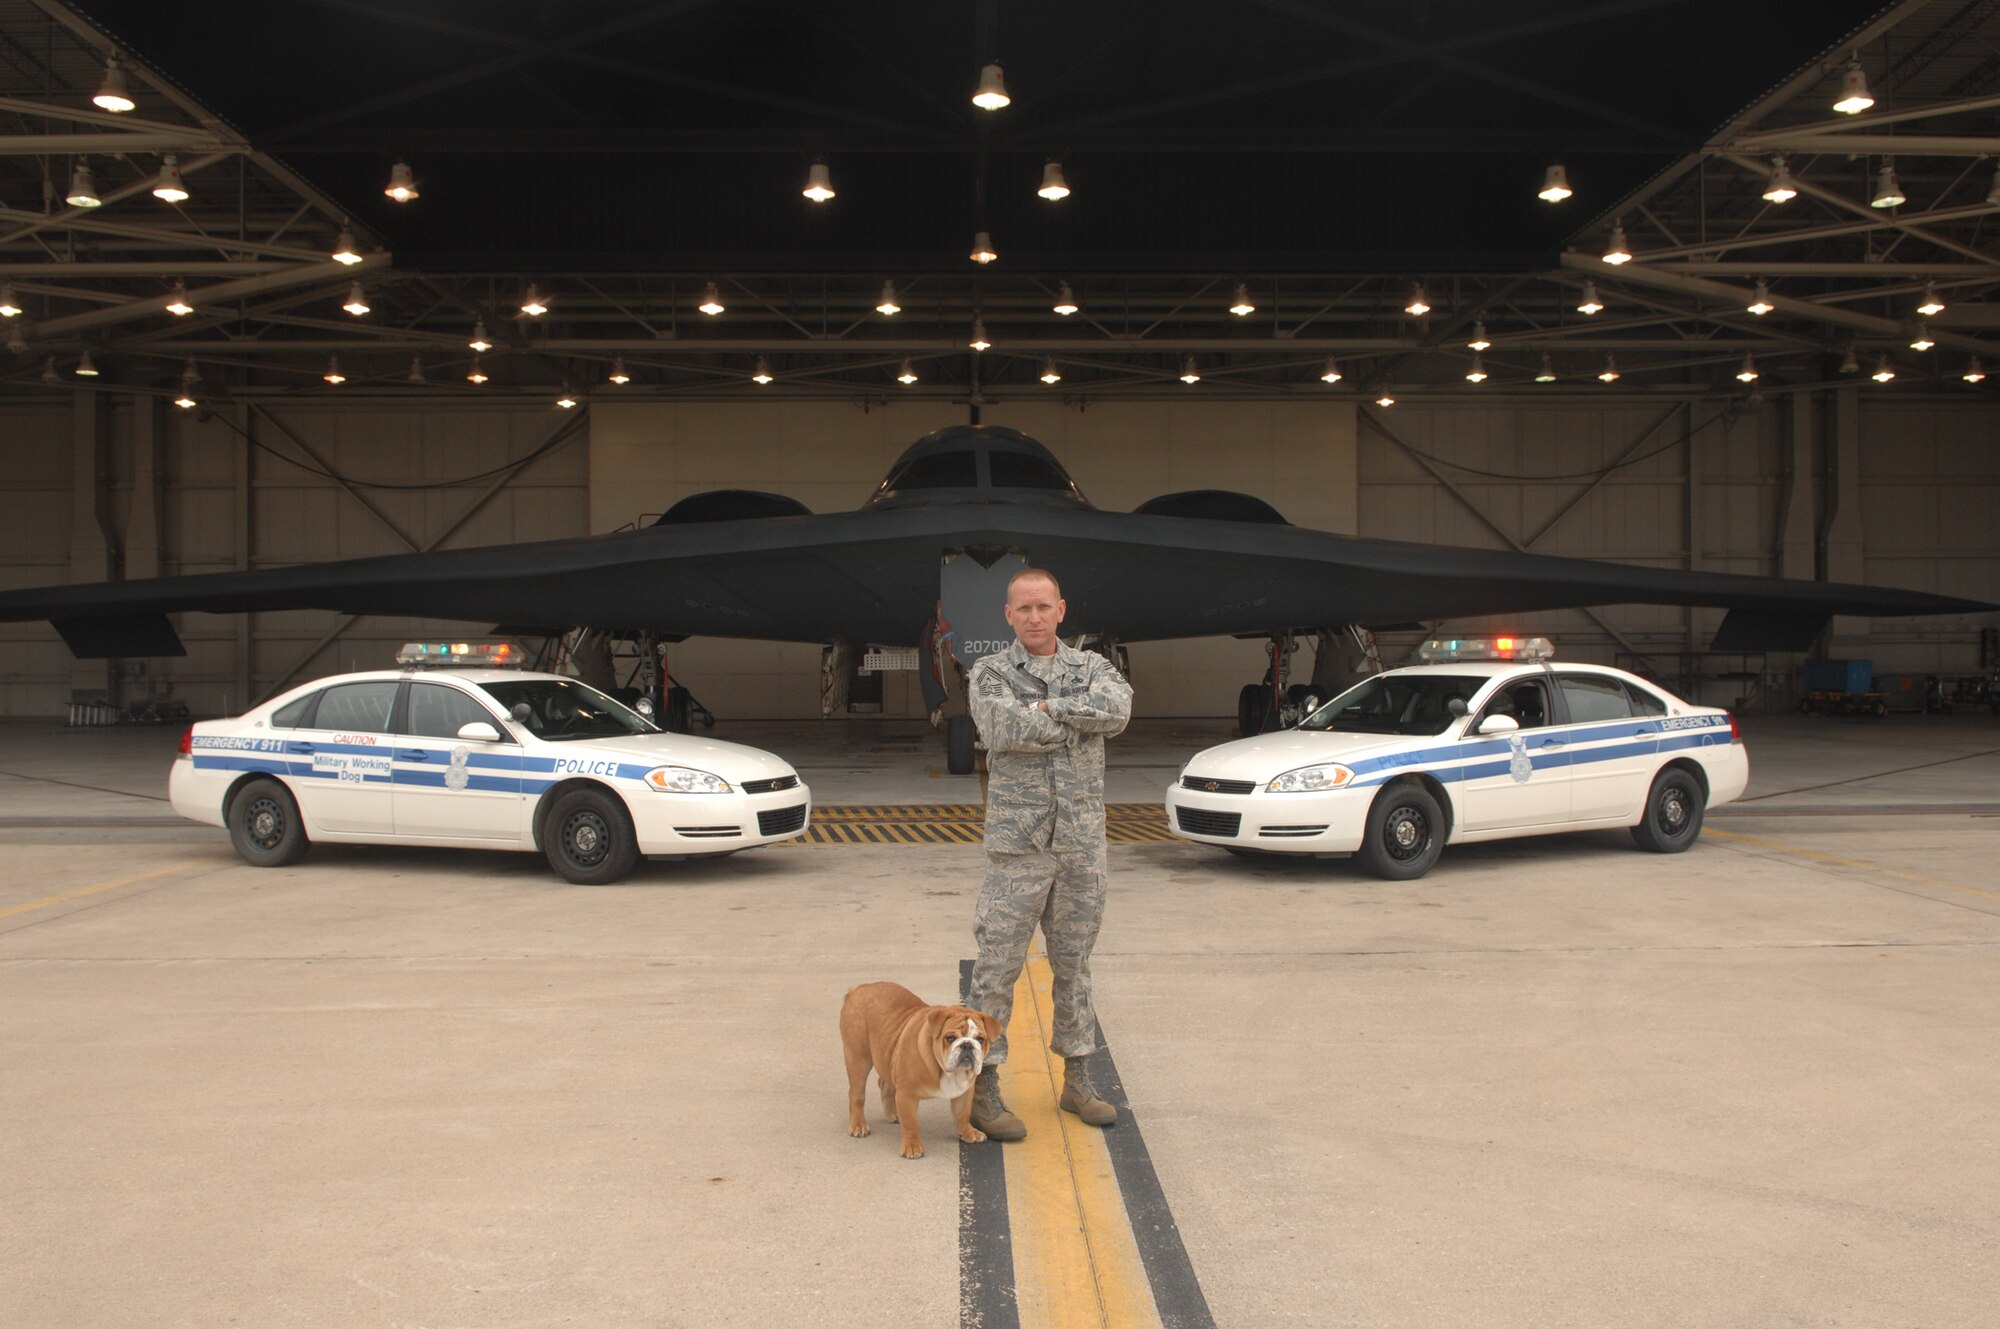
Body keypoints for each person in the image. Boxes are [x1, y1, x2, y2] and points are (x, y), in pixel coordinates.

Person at [964, 567, 1134, 1139]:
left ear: (1061, 610)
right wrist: (1076, 718)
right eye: (1023, 609)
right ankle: (984, 1088)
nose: (1034, 618)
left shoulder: (1093, 666)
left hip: (1081, 847)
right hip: (1020, 848)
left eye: (1043, 608)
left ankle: (1078, 1080)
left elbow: (1119, 710)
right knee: (996, 968)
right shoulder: (990, 672)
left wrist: (1045, 711)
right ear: (1008, 616)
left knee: (1075, 967)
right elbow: (1000, 727)